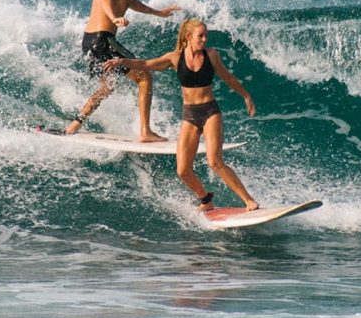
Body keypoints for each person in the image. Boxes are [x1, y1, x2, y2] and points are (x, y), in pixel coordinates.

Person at [103, 18, 259, 212]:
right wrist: (122, 61)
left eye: (206, 35)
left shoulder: (212, 55)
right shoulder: (175, 58)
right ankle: (205, 199)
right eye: (200, 36)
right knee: (183, 170)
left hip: (210, 112)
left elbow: (227, 77)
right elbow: (146, 63)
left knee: (214, 161)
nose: (204, 39)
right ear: (189, 37)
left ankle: (248, 200)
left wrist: (246, 96)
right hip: (190, 116)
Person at [65, 0, 179, 141]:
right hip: (102, 40)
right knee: (144, 76)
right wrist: (115, 18)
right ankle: (145, 132)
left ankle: (74, 125)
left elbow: (130, 2)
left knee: (107, 87)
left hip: (90, 41)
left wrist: (158, 13)